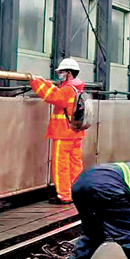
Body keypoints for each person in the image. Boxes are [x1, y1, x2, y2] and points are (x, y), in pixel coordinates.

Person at [28, 57, 86, 204]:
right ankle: (76, 193)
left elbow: (52, 97)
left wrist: (35, 84)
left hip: (63, 133)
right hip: (76, 133)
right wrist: (44, 82)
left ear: (69, 73)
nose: (59, 74)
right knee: (76, 166)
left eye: (62, 72)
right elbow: (58, 92)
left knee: (61, 166)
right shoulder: (76, 88)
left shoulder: (67, 89)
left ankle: (64, 196)